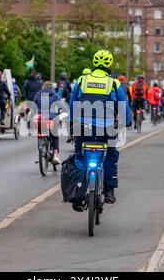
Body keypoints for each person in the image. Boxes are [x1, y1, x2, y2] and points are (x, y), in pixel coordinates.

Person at [69, 50, 131, 206]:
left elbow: (72, 103)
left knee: (79, 155)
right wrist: (127, 121)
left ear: (94, 63)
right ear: (109, 65)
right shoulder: (114, 83)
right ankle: (109, 191)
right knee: (111, 154)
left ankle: (77, 191)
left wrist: (72, 121)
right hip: (106, 128)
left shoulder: (82, 80)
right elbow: (123, 106)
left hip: (83, 127)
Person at [33, 81, 63, 165]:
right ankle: (56, 155)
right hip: (51, 118)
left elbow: (34, 104)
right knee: (55, 135)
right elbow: (61, 107)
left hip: (40, 118)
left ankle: (40, 148)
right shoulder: (55, 95)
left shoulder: (38, 94)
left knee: (40, 132)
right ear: (51, 88)